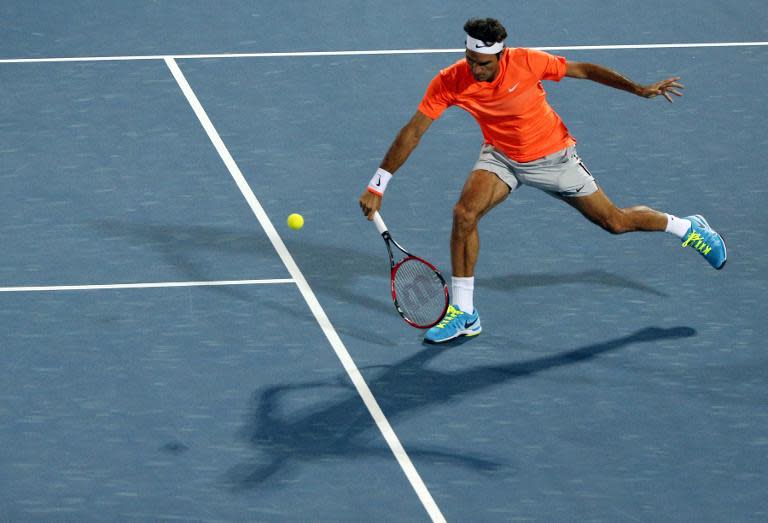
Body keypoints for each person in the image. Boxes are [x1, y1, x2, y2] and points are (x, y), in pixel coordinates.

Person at [359, 17, 727, 344]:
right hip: (501, 155)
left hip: (553, 157)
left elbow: (583, 70)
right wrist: (378, 184)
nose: (474, 70)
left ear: (501, 56)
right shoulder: (451, 80)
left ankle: (688, 228)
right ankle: (465, 313)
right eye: (470, 60)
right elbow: (413, 131)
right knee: (464, 214)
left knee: (614, 222)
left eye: (483, 64)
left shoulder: (528, 61)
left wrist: (638, 89)